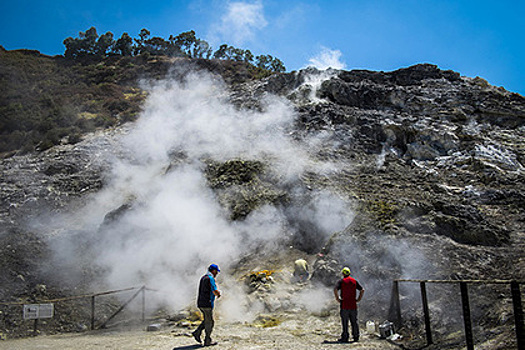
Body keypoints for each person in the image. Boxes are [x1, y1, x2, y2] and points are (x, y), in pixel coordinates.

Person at [192, 264, 221, 346]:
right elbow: (214, 290)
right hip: (207, 303)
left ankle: (197, 332)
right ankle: (207, 340)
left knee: (207, 320)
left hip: (200, 303)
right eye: (216, 272)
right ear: (214, 271)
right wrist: (218, 294)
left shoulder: (203, 277)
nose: (217, 274)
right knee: (210, 322)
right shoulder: (210, 278)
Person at [333, 267, 364, 343]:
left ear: (343, 273)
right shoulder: (354, 281)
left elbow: (335, 289)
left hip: (344, 305)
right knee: (354, 322)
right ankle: (356, 337)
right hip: (353, 305)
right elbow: (362, 290)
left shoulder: (341, 281)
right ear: (349, 273)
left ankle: (345, 337)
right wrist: (359, 299)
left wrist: (337, 298)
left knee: (345, 322)